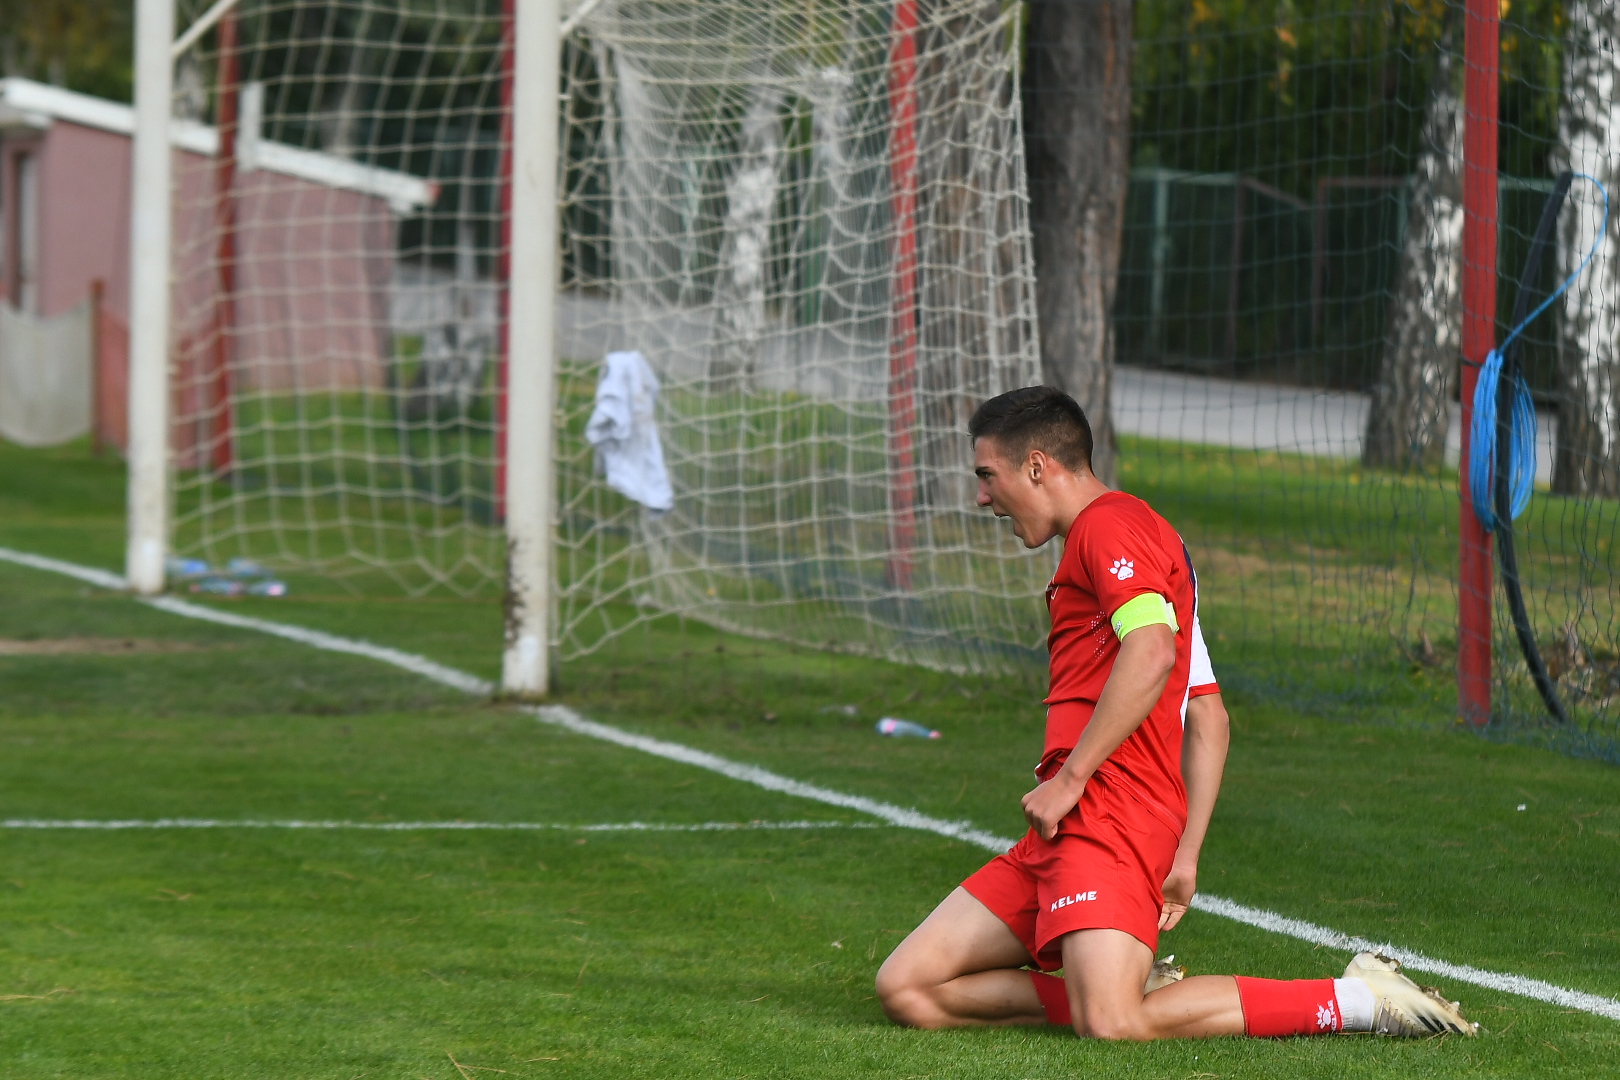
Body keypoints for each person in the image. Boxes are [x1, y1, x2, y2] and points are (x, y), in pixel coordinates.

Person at [875, 386, 1476, 1040]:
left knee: (1111, 1023)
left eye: (988, 476)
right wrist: (1185, 852)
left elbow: (1153, 651)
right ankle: (1113, 985)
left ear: (1039, 466)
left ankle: (1361, 1002)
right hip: (1072, 827)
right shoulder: (1146, 539)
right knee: (908, 987)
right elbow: (1209, 714)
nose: (982, 497)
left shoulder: (1108, 529)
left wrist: (1071, 779)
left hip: (1106, 814)